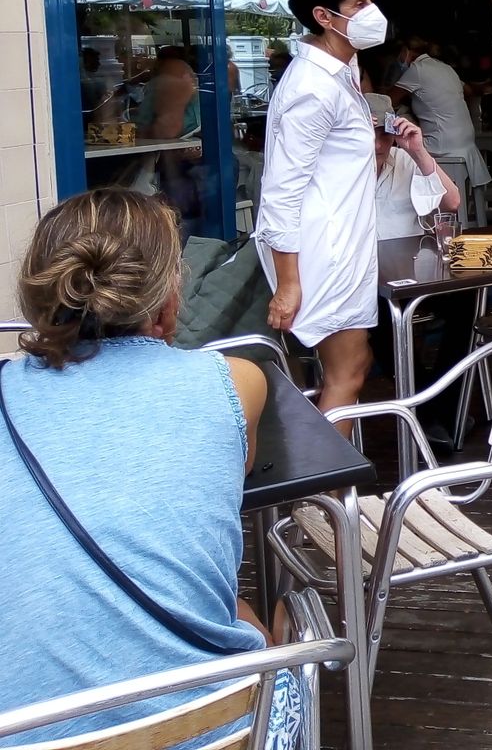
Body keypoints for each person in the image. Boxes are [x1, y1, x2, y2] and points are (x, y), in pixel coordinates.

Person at [0, 189, 300, 747]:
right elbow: (223, 474)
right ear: (166, 300)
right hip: (213, 731)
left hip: (25, 735)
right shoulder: (235, 381)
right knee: (270, 625)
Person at [256, 0, 383, 415]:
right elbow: (281, 190)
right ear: (324, 17)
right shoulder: (313, 86)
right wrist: (288, 283)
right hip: (323, 253)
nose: (372, 12)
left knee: (351, 367)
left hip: (343, 245)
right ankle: (329, 487)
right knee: (347, 374)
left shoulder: (340, 71)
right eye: (360, 3)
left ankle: (328, 480)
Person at [389, 35, 491, 207]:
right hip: (466, 141)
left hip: (444, 144)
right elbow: (469, 91)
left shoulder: (417, 70)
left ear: (407, 52)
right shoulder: (445, 68)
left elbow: (389, 100)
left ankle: (417, 212)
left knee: (401, 155)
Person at [366, 94, 460, 240]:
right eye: (369, 135)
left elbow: (452, 203)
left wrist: (418, 151)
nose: (378, 145)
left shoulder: (405, 159)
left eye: (385, 134)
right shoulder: (337, 167)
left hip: (409, 257)